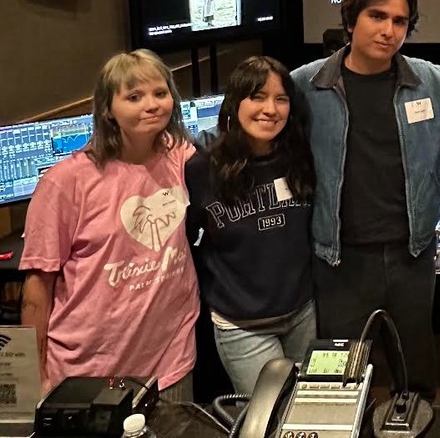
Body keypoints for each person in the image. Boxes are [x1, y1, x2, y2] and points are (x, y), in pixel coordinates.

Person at [291, 0, 440, 398]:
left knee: (417, 377)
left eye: (400, 22)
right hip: (339, 260)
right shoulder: (304, 86)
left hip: (412, 255)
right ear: (351, 21)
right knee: (338, 380)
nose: (389, 30)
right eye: (377, 16)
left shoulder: (436, 84)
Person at [20, 49, 199, 400]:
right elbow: (38, 287)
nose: (151, 105)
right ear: (107, 109)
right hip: (85, 374)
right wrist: (32, 378)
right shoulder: (65, 182)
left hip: (170, 366)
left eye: (160, 94)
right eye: (134, 97)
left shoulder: (179, 155)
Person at [185, 55, 317, 396]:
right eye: (257, 96)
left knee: (303, 412)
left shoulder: (301, 157)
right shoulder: (201, 169)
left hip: (302, 315)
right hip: (243, 326)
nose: (270, 109)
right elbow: (185, 241)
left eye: (280, 98)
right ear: (235, 103)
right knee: (267, 421)